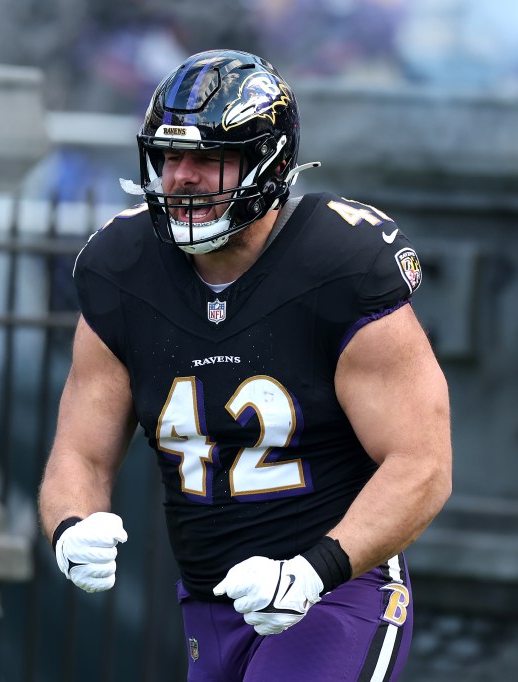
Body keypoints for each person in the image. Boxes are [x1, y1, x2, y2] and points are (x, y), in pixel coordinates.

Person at [38, 48, 451, 682]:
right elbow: (81, 453)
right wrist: (70, 525)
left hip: (339, 594)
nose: (182, 177)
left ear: (269, 160)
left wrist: (314, 570)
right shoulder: (121, 267)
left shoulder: (340, 263)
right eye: (170, 157)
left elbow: (422, 465)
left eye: (209, 158)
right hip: (207, 604)